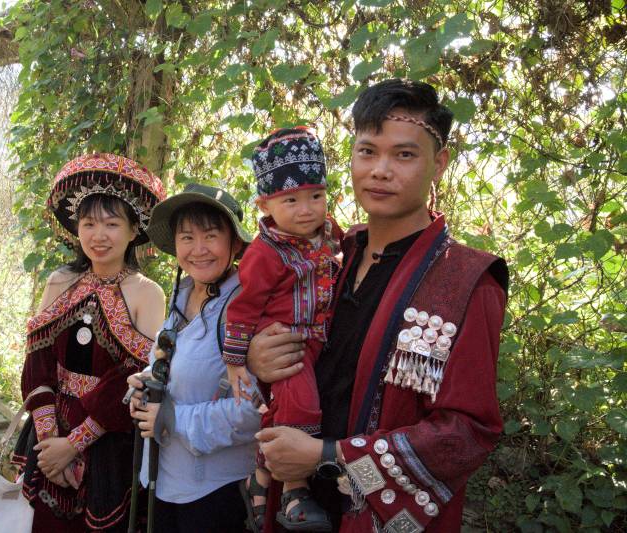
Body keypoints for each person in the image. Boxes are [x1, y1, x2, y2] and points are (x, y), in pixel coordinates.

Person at [246, 79, 508, 532]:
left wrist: (329, 456)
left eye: (404, 155)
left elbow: (466, 435)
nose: (380, 170)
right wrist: (257, 357)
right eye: (367, 152)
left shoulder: (465, 281)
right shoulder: (324, 258)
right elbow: (266, 332)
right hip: (293, 503)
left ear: (439, 163)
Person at [12, 153, 167, 532]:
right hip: (49, 432)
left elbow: (137, 376)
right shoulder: (59, 282)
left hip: (108, 439)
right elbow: (38, 361)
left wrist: (74, 445)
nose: (99, 236)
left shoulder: (148, 294)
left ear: (134, 230)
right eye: (89, 223)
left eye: (112, 224)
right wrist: (50, 442)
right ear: (76, 229)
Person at [221, 127, 341, 532]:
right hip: (287, 344)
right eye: (291, 199)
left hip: (319, 339)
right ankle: (294, 490)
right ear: (267, 204)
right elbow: (243, 308)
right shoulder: (266, 252)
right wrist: (236, 361)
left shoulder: (330, 237)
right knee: (299, 406)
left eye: (316, 196)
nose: (306, 208)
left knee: (290, 409)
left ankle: (257, 482)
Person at [127, 183, 261, 533]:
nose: (198, 249)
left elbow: (254, 413)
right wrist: (145, 383)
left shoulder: (244, 312)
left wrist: (173, 418)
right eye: (186, 237)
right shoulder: (182, 295)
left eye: (211, 236)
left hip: (213, 495)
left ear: (234, 243)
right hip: (163, 481)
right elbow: (175, 366)